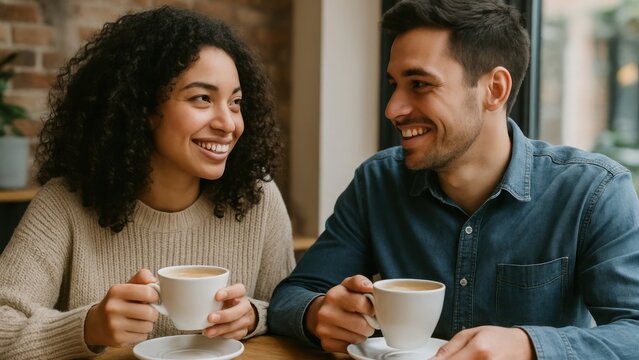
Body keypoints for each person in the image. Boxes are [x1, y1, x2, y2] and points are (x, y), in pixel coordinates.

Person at [268, 0, 639, 358]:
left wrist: (528, 346)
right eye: (394, 84)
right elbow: (292, 296)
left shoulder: (594, 191)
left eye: (420, 84)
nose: (392, 109)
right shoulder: (377, 183)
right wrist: (319, 313)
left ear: (494, 90)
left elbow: (633, 332)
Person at [0, 6, 295, 359]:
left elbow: (288, 310)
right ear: (142, 109)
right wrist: (88, 327)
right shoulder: (64, 204)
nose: (228, 123)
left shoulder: (257, 199)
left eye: (235, 102)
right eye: (202, 98)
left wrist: (253, 316)